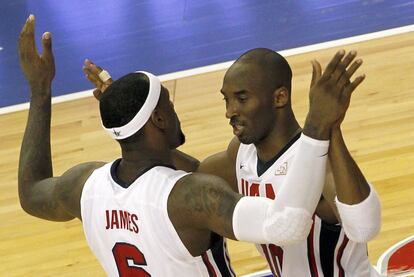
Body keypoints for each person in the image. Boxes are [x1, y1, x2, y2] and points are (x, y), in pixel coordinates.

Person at [18, 15, 359, 277]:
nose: (173, 106)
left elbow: (31, 191)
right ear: (160, 120)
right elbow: (287, 225)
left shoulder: (84, 185)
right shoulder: (194, 198)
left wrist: (40, 91)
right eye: (167, 102)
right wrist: (317, 126)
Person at [87, 49, 381, 276]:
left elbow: (364, 227)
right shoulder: (240, 156)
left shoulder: (317, 160)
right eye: (226, 100)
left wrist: (331, 129)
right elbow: (193, 180)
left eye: (242, 98)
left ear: (280, 97)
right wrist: (135, 122)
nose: (230, 111)